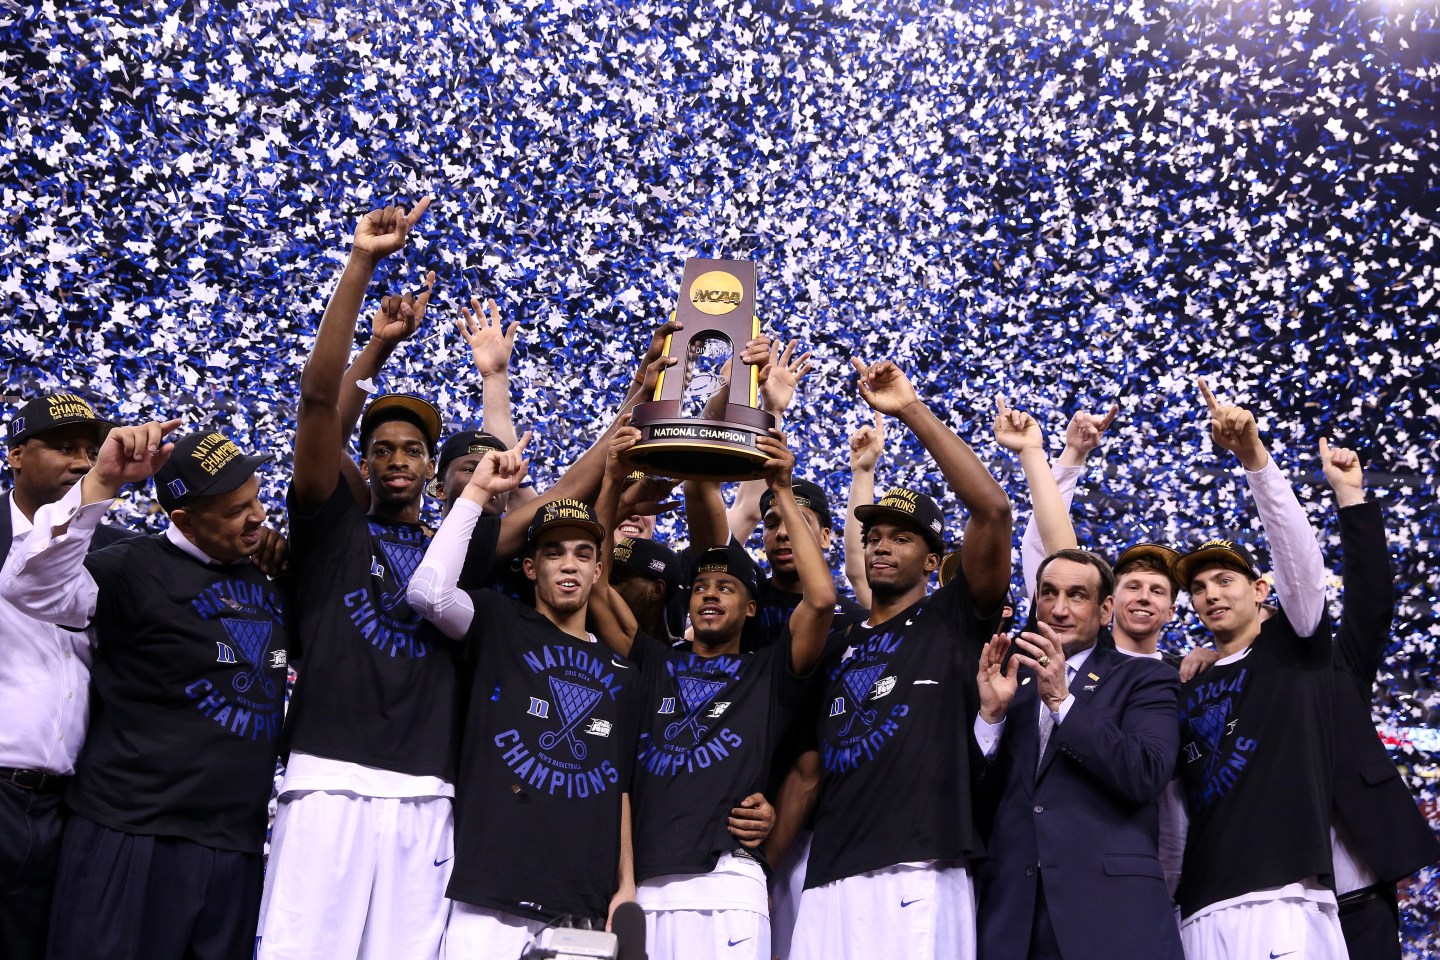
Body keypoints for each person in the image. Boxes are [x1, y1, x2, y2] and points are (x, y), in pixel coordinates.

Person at [256, 197, 461, 960]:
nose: (398, 459)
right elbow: (317, 404)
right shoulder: (331, 527)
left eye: (413, 449)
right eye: (382, 448)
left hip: (425, 793)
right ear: (362, 462)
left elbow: (530, 507)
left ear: (431, 469)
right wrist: (363, 271)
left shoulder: (454, 552)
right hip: (325, 782)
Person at [2, 421, 291, 960]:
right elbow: (27, 586)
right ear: (184, 518)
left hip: (234, 843)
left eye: (255, 501)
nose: (256, 517)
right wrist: (101, 483)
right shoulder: (130, 567)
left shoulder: (270, 574)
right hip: (130, 835)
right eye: (234, 510)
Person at [789, 357, 1011, 960]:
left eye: (903, 536)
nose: (883, 545)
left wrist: (910, 409)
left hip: (917, 867)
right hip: (827, 869)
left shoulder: (954, 618)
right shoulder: (838, 640)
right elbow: (808, 767)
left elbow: (992, 510)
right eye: (874, 536)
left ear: (935, 559)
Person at [587, 424, 833, 960]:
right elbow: (596, 581)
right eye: (700, 587)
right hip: (643, 885)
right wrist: (610, 481)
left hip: (728, 883)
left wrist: (783, 489)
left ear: (750, 607)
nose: (710, 596)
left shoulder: (767, 674)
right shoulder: (653, 661)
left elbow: (819, 601)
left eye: (726, 587)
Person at [405, 437, 639, 960]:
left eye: (583, 553)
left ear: (599, 572)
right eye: (553, 552)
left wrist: (625, 886)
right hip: (491, 885)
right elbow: (427, 593)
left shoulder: (623, 670)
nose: (569, 564)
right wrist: (477, 493)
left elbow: (619, 787)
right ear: (530, 569)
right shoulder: (497, 620)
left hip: (581, 895)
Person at [1172, 380, 1345, 959]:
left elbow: (1301, 561)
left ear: (1261, 589)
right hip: (1196, 904)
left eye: (1225, 580)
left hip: (1283, 900)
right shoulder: (1188, 675)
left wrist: (1254, 460)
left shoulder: (1295, 645)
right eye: (1197, 588)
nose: (1210, 594)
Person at [971, 546, 1182, 960]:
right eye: (1048, 593)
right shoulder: (1009, 685)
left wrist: (1063, 702)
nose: (1059, 609)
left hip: (1113, 918)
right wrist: (991, 718)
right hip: (1013, 921)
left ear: (1106, 610)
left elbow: (1145, 774)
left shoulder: (1145, 676)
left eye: (1077, 596)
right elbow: (979, 808)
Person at [0, 393, 132, 959]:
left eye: (89, 450)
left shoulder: (119, 552)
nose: (81, 462)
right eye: (62, 447)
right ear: (15, 456)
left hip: (68, 804)